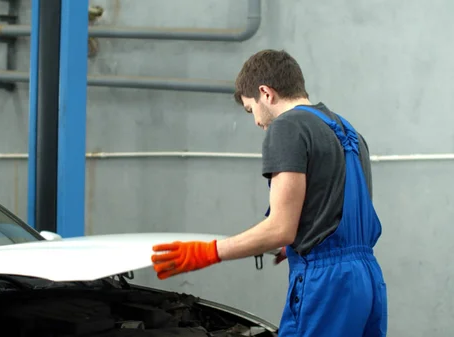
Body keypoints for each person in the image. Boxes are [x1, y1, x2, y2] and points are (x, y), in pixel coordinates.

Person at [150, 49, 388, 337]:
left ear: (265, 93)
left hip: (326, 283)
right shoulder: (346, 130)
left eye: (251, 110)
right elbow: (337, 207)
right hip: (367, 281)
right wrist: (312, 234)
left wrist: (207, 252)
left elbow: (280, 230)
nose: (257, 122)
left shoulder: (288, 126)